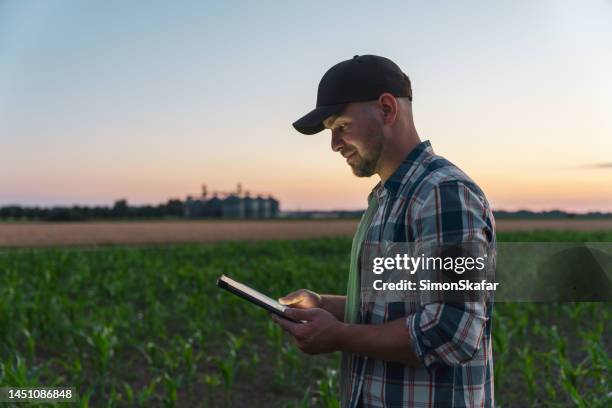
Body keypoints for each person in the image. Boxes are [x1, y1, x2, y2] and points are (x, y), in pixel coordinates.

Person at [272, 55, 496, 408]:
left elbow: (452, 330)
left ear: (387, 109)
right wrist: (325, 306)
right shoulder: (387, 198)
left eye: (341, 125)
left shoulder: (442, 193)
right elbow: (396, 308)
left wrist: (339, 336)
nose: (334, 144)